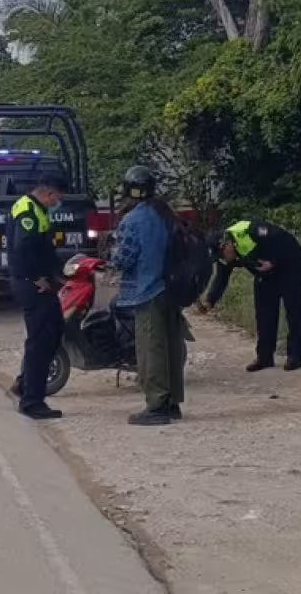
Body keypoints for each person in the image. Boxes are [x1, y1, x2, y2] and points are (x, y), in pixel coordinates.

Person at [111, 165, 186, 426]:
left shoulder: (132, 220)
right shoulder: (166, 214)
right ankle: (172, 402)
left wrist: (111, 254)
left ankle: (156, 406)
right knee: (171, 347)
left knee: (150, 350)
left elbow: (123, 259)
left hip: (147, 290)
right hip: (171, 289)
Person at [199, 220, 301, 371]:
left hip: (289, 264)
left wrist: (274, 261)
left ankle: (295, 357)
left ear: (226, 244)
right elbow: (221, 278)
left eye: (222, 255)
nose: (223, 260)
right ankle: (264, 357)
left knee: (295, 310)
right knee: (264, 313)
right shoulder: (225, 255)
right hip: (265, 273)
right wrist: (209, 301)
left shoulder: (249, 230)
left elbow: (282, 238)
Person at [7, 171, 69, 420]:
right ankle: (32, 401)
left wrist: (58, 276)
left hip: (41, 284)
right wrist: (37, 279)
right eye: (57, 198)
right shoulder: (27, 211)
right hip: (31, 285)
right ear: (47, 192)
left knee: (54, 332)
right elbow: (23, 250)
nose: (57, 203)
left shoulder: (37, 209)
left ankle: (25, 384)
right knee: (40, 342)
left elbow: (43, 249)